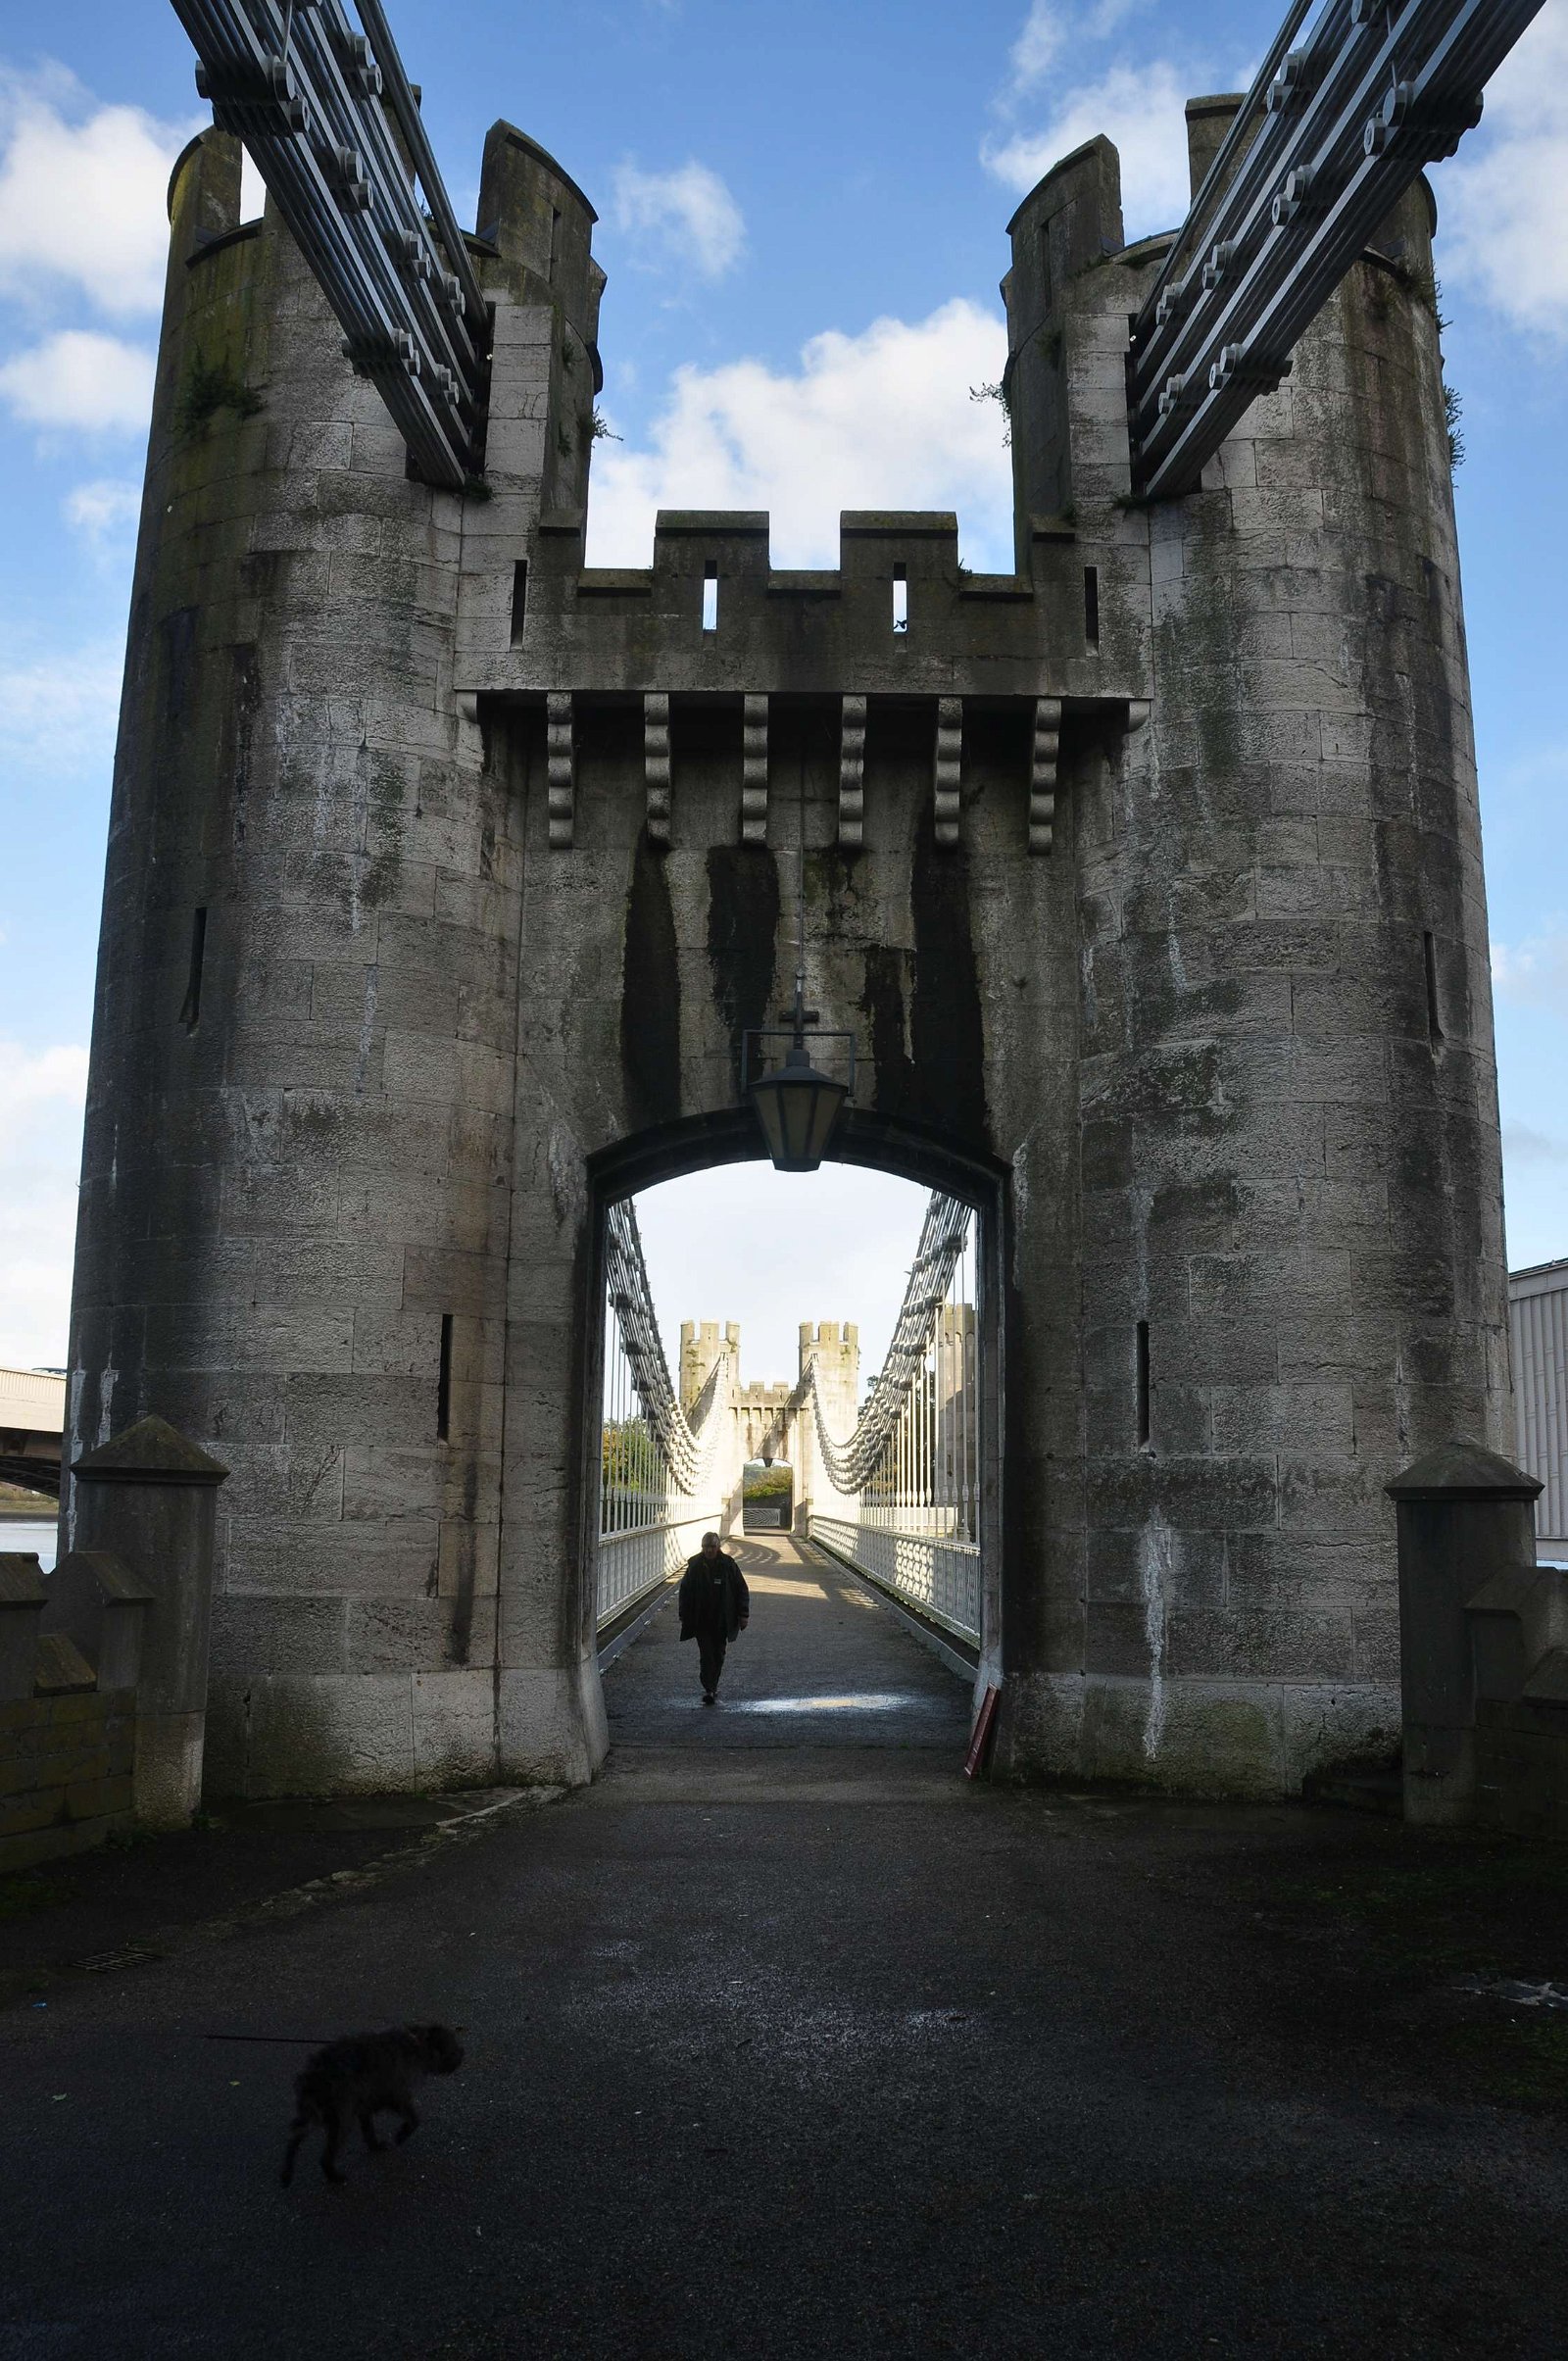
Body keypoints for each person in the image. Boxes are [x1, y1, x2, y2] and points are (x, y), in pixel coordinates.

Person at [677, 1530, 750, 1705]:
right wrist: (684, 1614)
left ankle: (713, 1685)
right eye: (705, 1547)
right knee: (707, 1654)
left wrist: (743, 1614)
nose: (708, 1550)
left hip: (721, 1619)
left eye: (712, 1546)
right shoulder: (695, 1565)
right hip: (701, 1619)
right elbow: (685, 1591)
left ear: (718, 1546)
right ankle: (709, 1688)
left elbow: (741, 1589)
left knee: (718, 1654)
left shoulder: (728, 1564)